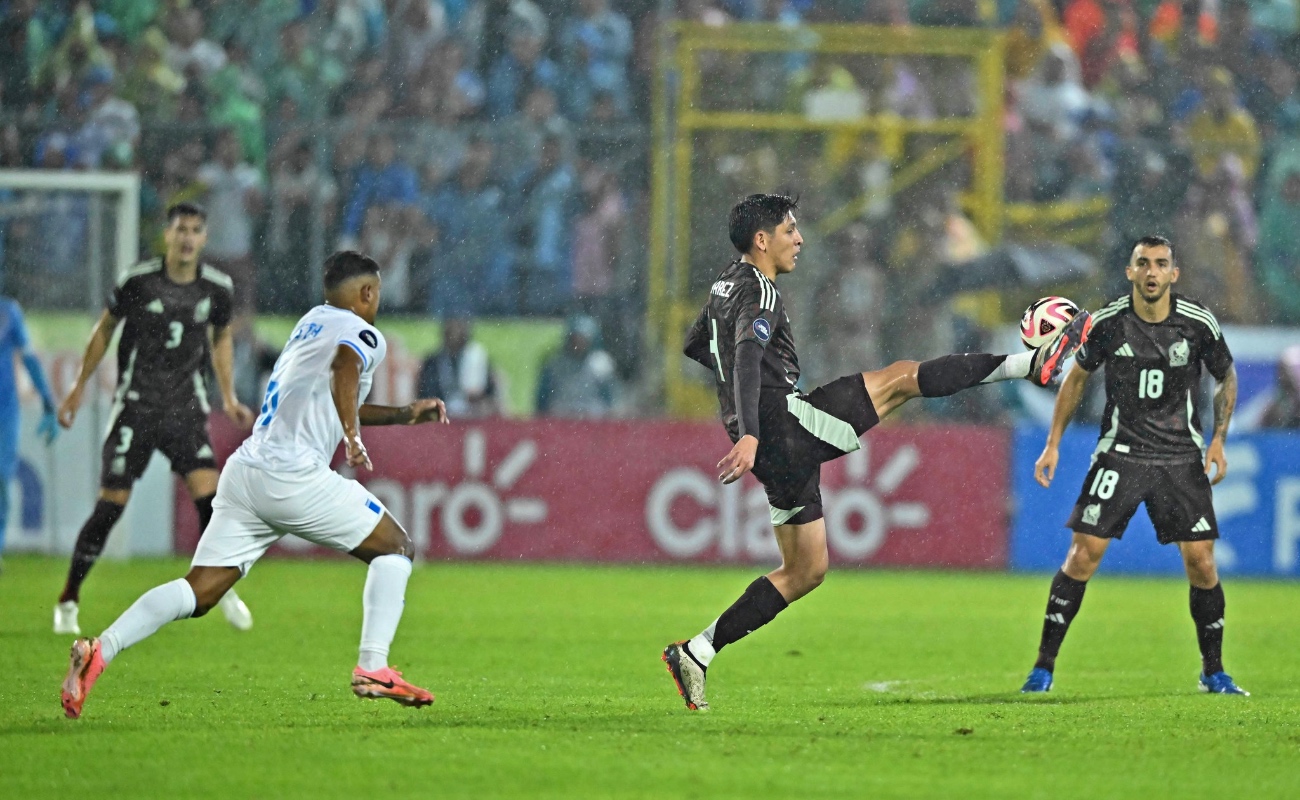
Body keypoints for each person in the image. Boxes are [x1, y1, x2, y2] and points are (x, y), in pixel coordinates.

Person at [661, 194, 1093, 711]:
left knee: (806, 570)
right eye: (790, 230)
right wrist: (754, 429)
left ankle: (697, 651)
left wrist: (739, 415)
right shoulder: (760, 291)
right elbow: (749, 355)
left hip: (768, 439)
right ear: (762, 240)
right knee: (904, 378)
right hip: (781, 425)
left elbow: (697, 344)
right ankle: (1034, 363)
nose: (799, 239)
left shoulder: (724, 285)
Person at [60, 251, 449, 720]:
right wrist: (351, 437)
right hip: (293, 475)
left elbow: (331, 394)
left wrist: (404, 414)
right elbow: (344, 370)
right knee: (397, 549)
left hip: (247, 470)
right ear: (368, 293)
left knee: (200, 590)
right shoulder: (363, 334)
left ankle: (100, 650)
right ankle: (373, 666)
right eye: (378, 294)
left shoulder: (311, 324)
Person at [1021, 235, 1247, 696]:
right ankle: (1042, 668)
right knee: (1083, 554)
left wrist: (1219, 439)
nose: (1151, 272)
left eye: (1160, 264)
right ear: (1130, 272)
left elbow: (1227, 375)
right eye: (1142, 263)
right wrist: (1053, 443)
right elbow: (1077, 376)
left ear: (1173, 274)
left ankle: (1214, 671)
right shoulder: (1108, 322)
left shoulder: (1197, 322)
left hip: (1181, 456)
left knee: (1202, 563)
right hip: (1120, 453)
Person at [54, 203, 256, 636]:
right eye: (180, 229)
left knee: (213, 502)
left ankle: (218, 586)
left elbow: (220, 339)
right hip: (137, 407)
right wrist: (76, 388)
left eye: (195, 230)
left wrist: (229, 396)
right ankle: (69, 598)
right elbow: (105, 329)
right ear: (168, 235)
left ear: (204, 238)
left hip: (185, 408)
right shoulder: (139, 281)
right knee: (111, 506)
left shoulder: (217, 289)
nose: (187, 237)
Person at [0, 296, 59, 571]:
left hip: (4, 411)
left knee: (1, 481)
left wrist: (47, 399)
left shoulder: (8, 312)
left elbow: (29, 358)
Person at [417, 317, 500, 418]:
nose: (455, 332)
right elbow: (425, 393)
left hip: (472, 416)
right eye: (451, 327)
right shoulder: (433, 362)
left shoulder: (477, 357)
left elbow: (489, 394)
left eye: (459, 327)